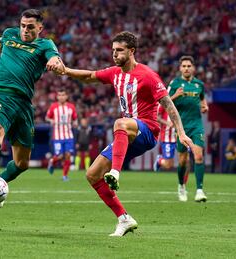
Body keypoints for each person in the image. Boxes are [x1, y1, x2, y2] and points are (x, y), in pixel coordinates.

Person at [61, 31, 194, 236]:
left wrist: (181, 133)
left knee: (120, 123)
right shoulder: (115, 73)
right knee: (92, 174)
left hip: (147, 131)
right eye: (113, 50)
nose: (115, 54)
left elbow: (168, 105)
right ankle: (124, 218)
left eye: (119, 50)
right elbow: (89, 76)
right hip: (127, 134)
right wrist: (65, 70)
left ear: (131, 51)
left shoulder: (148, 75)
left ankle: (115, 172)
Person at [0, 9, 64, 208]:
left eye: (30, 27)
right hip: (0, 92)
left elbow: (55, 58)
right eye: (23, 25)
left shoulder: (44, 44)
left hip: (23, 103)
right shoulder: (9, 34)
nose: (25, 30)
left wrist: (53, 62)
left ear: (40, 27)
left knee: (22, 163)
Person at [169, 55, 208, 202]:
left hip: (196, 126)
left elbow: (202, 98)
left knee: (198, 156)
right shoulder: (175, 84)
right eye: (183, 66)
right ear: (180, 68)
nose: (186, 68)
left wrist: (205, 106)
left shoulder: (199, 84)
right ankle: (181, 186)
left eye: (188, 66)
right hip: (181, 127)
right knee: (183, 161)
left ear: (193, 68)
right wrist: (176, 95)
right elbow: (163, 102)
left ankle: (199, 190)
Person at [45, 89, 78, 181]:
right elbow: (47, 117)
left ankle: (65, 176)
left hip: (68, 135)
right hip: (57, 136)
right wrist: (51, 120)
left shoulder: (71, 107)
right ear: (57, 97)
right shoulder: (53, 107)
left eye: (63, 95)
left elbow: (75, 118)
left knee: (67, 155)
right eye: (59, 95)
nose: (61, 97)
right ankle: (52, 161)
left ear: (66, 96)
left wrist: (75, 122)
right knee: (59, 156)